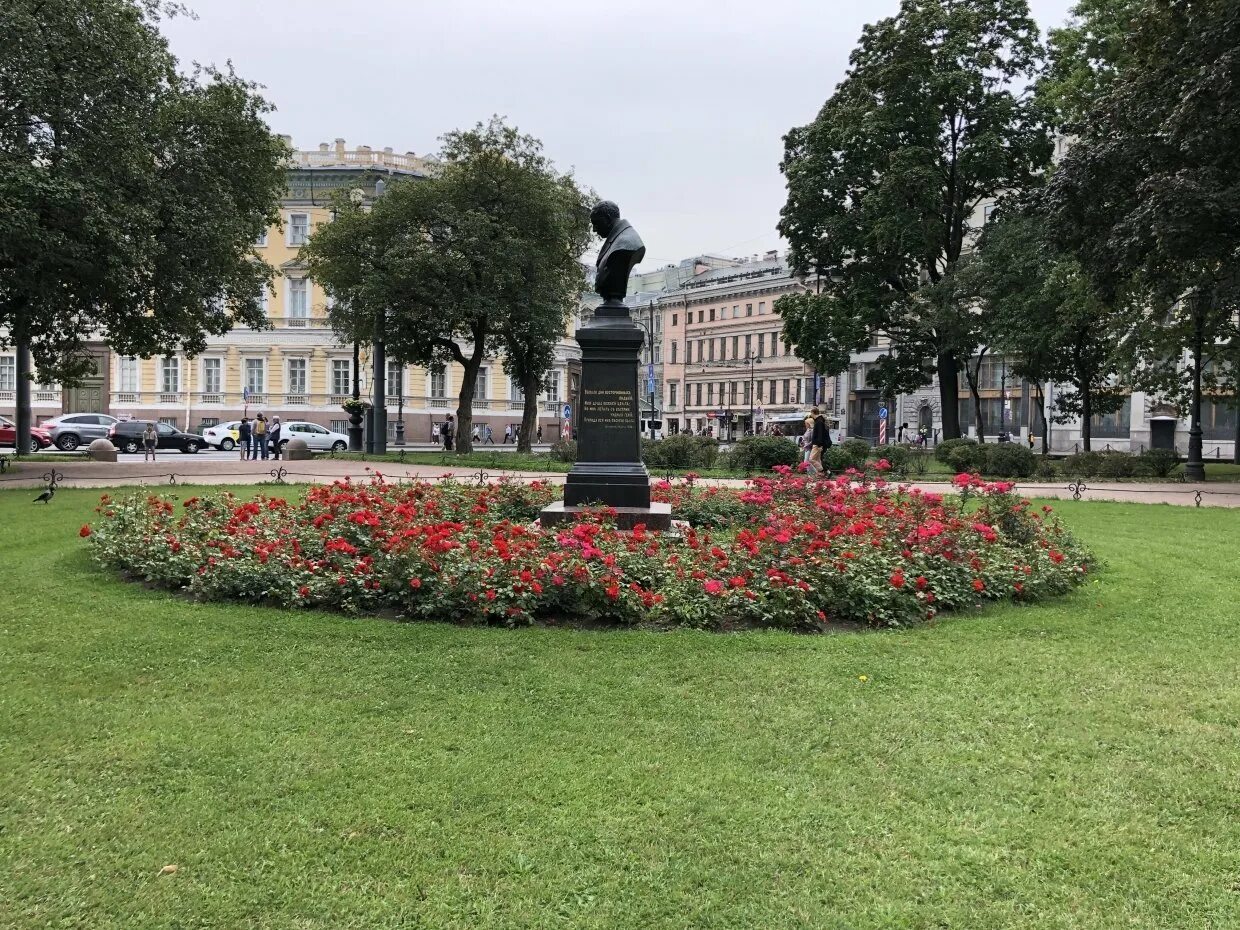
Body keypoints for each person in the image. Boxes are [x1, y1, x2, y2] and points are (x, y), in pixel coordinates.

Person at [810, 407, 831, 476]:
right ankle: (826, 473)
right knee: (818, 460)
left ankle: (823, 471)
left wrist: (819, 445)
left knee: (811, 459)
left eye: (811, 413)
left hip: (817, 444)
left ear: (813, 413)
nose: (810, 414)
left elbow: (820, 434)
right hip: (818, 444)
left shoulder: (819, 422)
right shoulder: (820, 421)